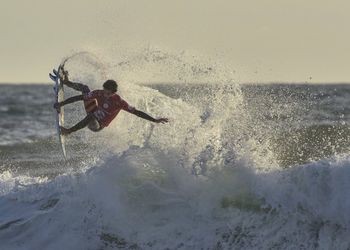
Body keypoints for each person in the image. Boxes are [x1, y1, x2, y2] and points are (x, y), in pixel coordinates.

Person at [53, 68, 168, 136]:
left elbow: (137, 112)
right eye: (104, 91)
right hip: (92, 112)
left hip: (97, 125)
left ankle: (69, 131)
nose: (104, 94)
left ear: (113, 93)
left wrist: (155, 120)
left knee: (91, 117)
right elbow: (80, 98)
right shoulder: (99, 93)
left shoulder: (119, 102)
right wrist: (61, 104)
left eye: (108, 93)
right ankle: (67, 82)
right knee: (85, 90)